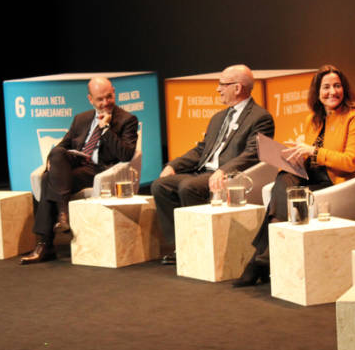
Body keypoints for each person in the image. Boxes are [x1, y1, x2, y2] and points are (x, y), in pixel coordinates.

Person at [233, 65, 355, 287]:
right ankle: (264, 258)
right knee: (284, 178)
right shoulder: (312, 119)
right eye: (326, 87)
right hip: (310, 175)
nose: (332, 92)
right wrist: (295, 155)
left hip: (335, 181)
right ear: (318, 92)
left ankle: (259, 260)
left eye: (337, 86)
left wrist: (312, 151)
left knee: (286, 197)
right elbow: (306, 154)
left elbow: (351, 161)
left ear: (344, 89)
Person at [150, 64, 275, 265]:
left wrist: (224, 170)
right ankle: (181, 244)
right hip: (202, 172)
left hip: (230, 177)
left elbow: (253, 153)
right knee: (160, 185)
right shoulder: (219, 117)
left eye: (222, 84)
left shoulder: (260, 118)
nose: (218, 89)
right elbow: (202, 149)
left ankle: (202, 244)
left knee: (188, 187)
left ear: (237, 88)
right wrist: (173, 165)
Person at [21, 77, 139, 264]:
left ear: (114, 92)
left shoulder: (127, 120)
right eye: (100, 99)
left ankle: (45, 243)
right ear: (90, 99)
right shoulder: (81, 119)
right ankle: (62, 214)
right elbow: (62, 146)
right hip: (75, 165)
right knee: (57, 153)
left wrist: (106, 129)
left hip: (97, 170)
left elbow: (126, 154)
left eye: (109, 97)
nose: (105, 103)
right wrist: (51, 160)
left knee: (47, 180)